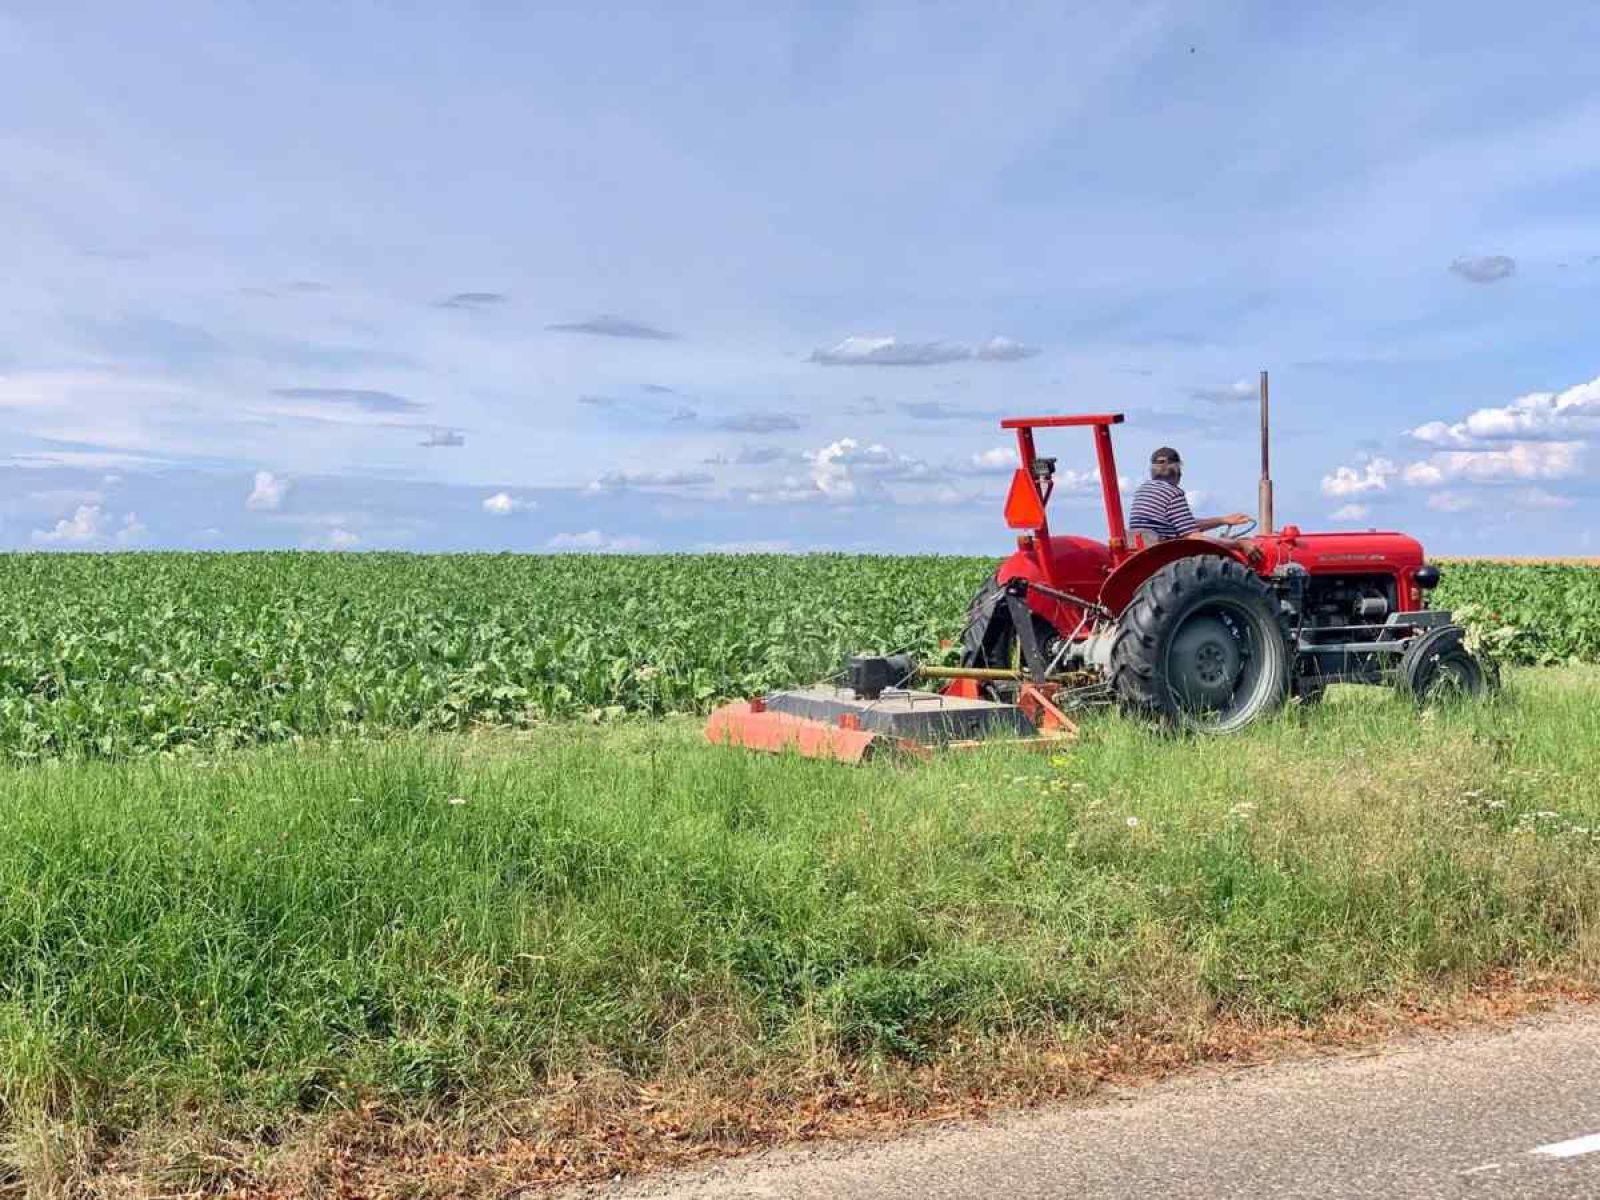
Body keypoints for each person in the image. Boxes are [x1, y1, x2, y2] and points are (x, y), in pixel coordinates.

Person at [1127, 446, 1252, 545]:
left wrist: (1223, 520)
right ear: (1178, 472)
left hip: (1145, 549)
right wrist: (1238, 544)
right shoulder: (1173, 494)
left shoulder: (1142, 491)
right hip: (1166, 554)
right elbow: (1194, 537)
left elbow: (1184, 524)